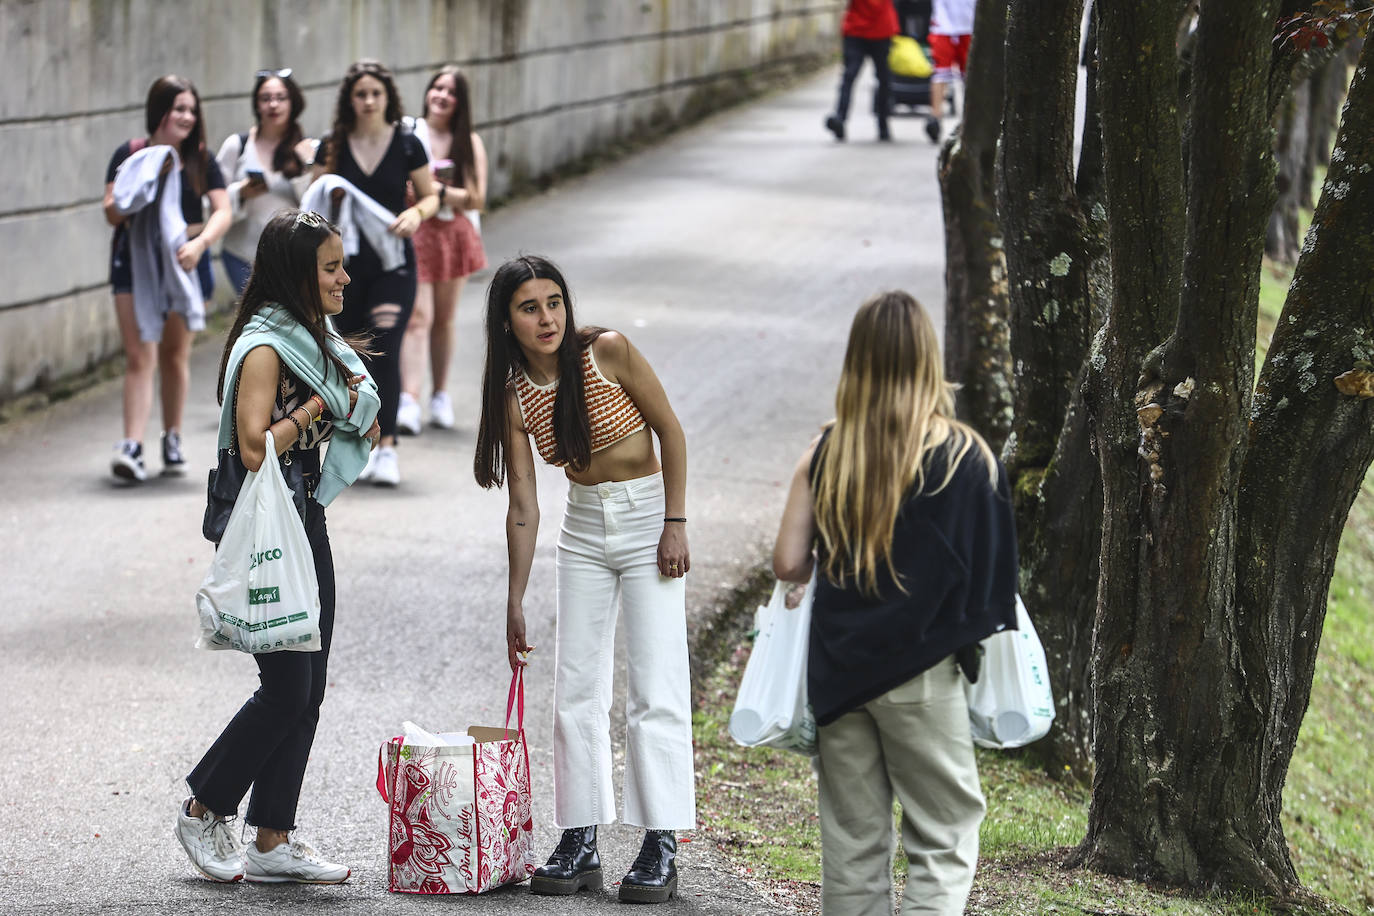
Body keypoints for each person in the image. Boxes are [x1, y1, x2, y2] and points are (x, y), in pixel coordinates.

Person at [771, 291, 1017, 915]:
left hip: (840, 673)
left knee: (852, 847)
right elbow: (993, 576)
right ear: (928, 359)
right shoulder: (965, 456)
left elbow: (787, 563)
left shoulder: (829, 452)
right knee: (943, 838)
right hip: (923, 675)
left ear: (858, 363)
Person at [474, 255, 694, 905]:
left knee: (654, 687)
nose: (545, 318)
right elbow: (523, 503)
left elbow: (672, 432)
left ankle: (661, 840)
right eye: (528, 307)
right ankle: (580, 837)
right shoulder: (515, 394)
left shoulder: (608, 352)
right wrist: (514, 598)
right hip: (584, 528)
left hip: (648, 514)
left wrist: (675, 522)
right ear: (505, 321)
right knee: (574, 689)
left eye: (553, 302)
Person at [175, 208, 381, 885]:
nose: (343, 277)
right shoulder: (265, 347)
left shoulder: (305, 338)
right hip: (271, 527)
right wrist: (317, 411)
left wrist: (349, 411)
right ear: (298, 275)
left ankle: (271, 840)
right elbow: (256, 443)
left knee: (308, 686)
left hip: (304, 520)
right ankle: (204, 807)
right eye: (330, 267)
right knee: (287, 688)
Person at [315, 59, 440, 485]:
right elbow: (310, 206)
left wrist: (416, 216)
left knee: (384, 342)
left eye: (375, 94)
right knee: (351, 352)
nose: (368, 101)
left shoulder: (407, 144)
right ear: (349, 100)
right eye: (360, 94)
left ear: (388, 98)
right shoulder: (331, 146)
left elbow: (431, 197)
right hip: (342, 266)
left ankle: (387, 447)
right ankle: (357, 441)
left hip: (393, 263)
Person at [103, 74, 230, 482]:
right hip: (135, 265)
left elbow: (223, 210)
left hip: (186, 263)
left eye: (192, 110)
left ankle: (172, 438)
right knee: (141, 355)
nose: (187, 117)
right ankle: (132, 446)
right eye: (179, 108)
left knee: (175, 356)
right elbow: (111, 211)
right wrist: (142, 184)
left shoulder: (202, 160)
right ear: (159, 110)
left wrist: (200, 243)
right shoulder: (131, 153)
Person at [396, 65, 489, 435]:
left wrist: (438, 189)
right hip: (417, 228)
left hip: (454, 233)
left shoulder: (470, 141)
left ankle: (440, 395)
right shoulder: (409, 132)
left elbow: (478, 197)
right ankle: (409, 398)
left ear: (460, 102)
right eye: (437, 87)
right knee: (418, 317)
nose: (441, 95)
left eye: (451, 91)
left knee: (444, 319)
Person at [215, 68, 317, 294]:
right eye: (266, 98)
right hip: (241, 254)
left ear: (293, 103)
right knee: (258, 322)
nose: (273, 105)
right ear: (256, 104)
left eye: (281, 98)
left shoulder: (307, 149)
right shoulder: (237, 145)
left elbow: (315, 208)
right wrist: (240, 193)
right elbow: (212, 200)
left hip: (290, 260)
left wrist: (308, 164)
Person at [824, 0, 900, 142]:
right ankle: (841, 119)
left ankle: (882, 124)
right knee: (853, 76)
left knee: (878, 79)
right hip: (859, 29)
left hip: (877, 29)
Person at [925, 0, 975, 144]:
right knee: (940, 74)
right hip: (943, 24)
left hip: (970, 24)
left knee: (969, 75)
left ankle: (970, 118)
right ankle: (935, 117)